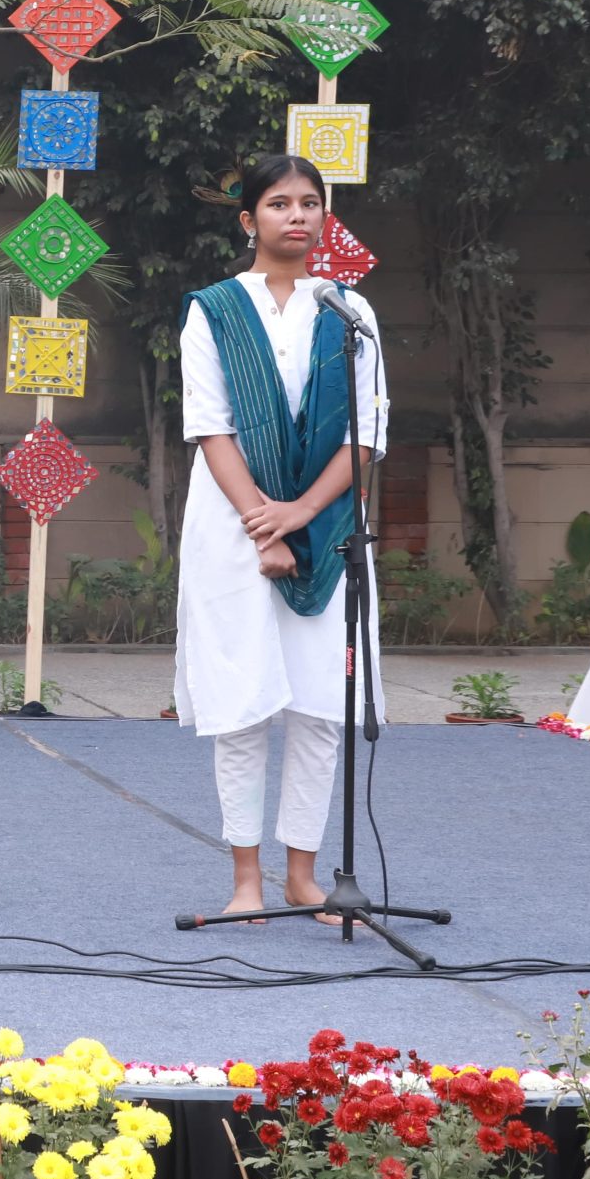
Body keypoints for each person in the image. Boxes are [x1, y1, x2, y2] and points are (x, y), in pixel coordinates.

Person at [175, 154, 387, 925]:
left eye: (308, 203)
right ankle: (246, 882)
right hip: (233, 530)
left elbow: (367, 433)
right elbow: (210, 425)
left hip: (325, 531)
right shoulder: (213, 310)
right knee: (242, 705)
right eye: (278, 203)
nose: (296, 216)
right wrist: (263, 521)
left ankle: (303, 875)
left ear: (324, 217)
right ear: (249, 219)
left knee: (320, 707)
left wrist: (300, 514)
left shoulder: (350, 312)